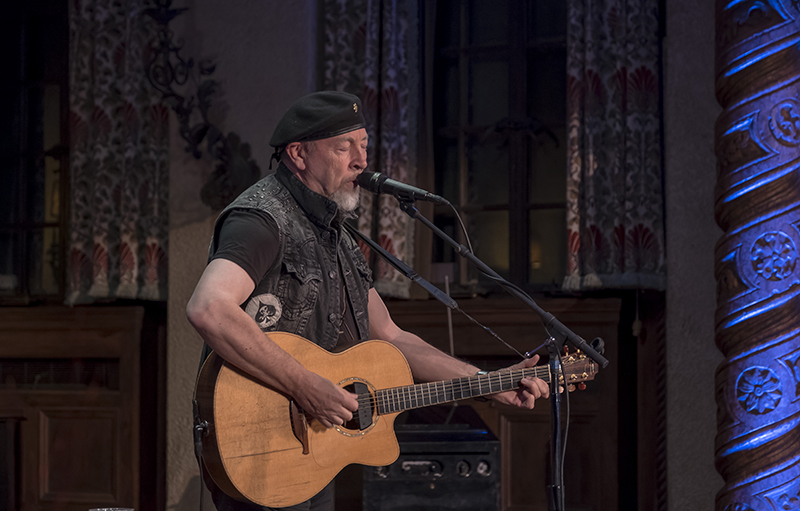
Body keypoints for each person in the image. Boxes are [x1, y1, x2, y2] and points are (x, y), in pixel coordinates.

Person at [186, 91, 549, 511]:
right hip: (258, 437)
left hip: (311, 445)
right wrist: (305, 385)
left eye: (364, 145)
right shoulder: (261, 220)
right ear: (298, 153)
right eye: (345, 147)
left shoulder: (338, 236)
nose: (361, 160)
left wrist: (487, 383)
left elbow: (392, 336)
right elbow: (209, 307)